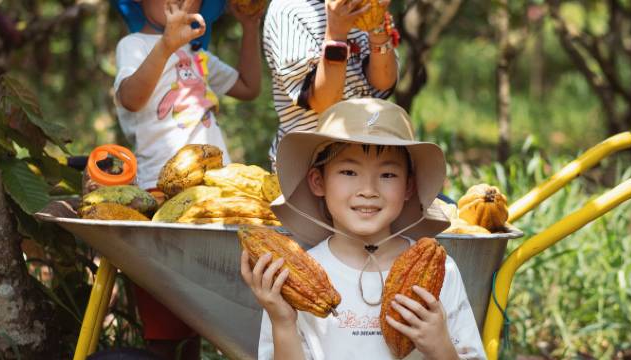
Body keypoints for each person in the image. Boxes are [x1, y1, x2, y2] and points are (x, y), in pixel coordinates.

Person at [241, 99, 487, 359]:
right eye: (348, 172)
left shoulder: (441, 270)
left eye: (388, 175)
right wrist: (283, 323)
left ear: (409, 187)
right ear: (317, 181)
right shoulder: (295, 278)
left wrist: (441, 347)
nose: (368, 190)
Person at [113, 0, 262, 358]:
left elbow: (248, 87)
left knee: (199, 310)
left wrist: (250, 27)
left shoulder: (200, 54)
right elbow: (131, 98)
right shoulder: (134, 45)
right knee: (165, 309)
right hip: (161, 192)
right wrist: (167, 45)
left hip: (214, 194)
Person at [262, 0, 399, 164]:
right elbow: (324, 103)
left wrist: (376, 23)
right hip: (311, 161)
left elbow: (383, 82)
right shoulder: (288, 11)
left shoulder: (356, 4)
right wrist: (336, 34)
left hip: (365, 153)